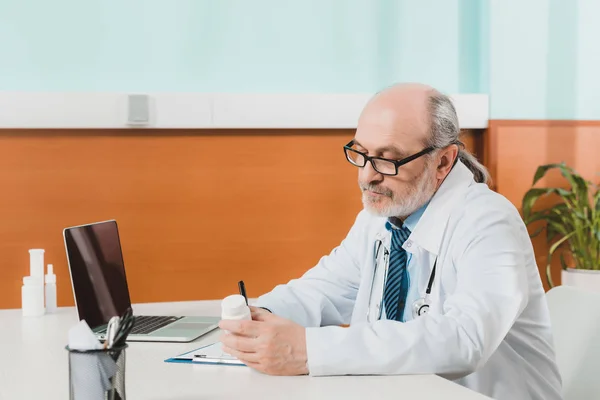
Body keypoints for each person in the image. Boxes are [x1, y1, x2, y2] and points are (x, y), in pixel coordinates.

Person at [219, 83, 563, 400]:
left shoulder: (488, 221)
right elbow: (324, 289)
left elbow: (465, 339)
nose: (367, 175)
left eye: (387, 158)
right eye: (361, 153)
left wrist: (309, 350)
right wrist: (257, 316)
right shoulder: (379, 219)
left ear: (443, 160)